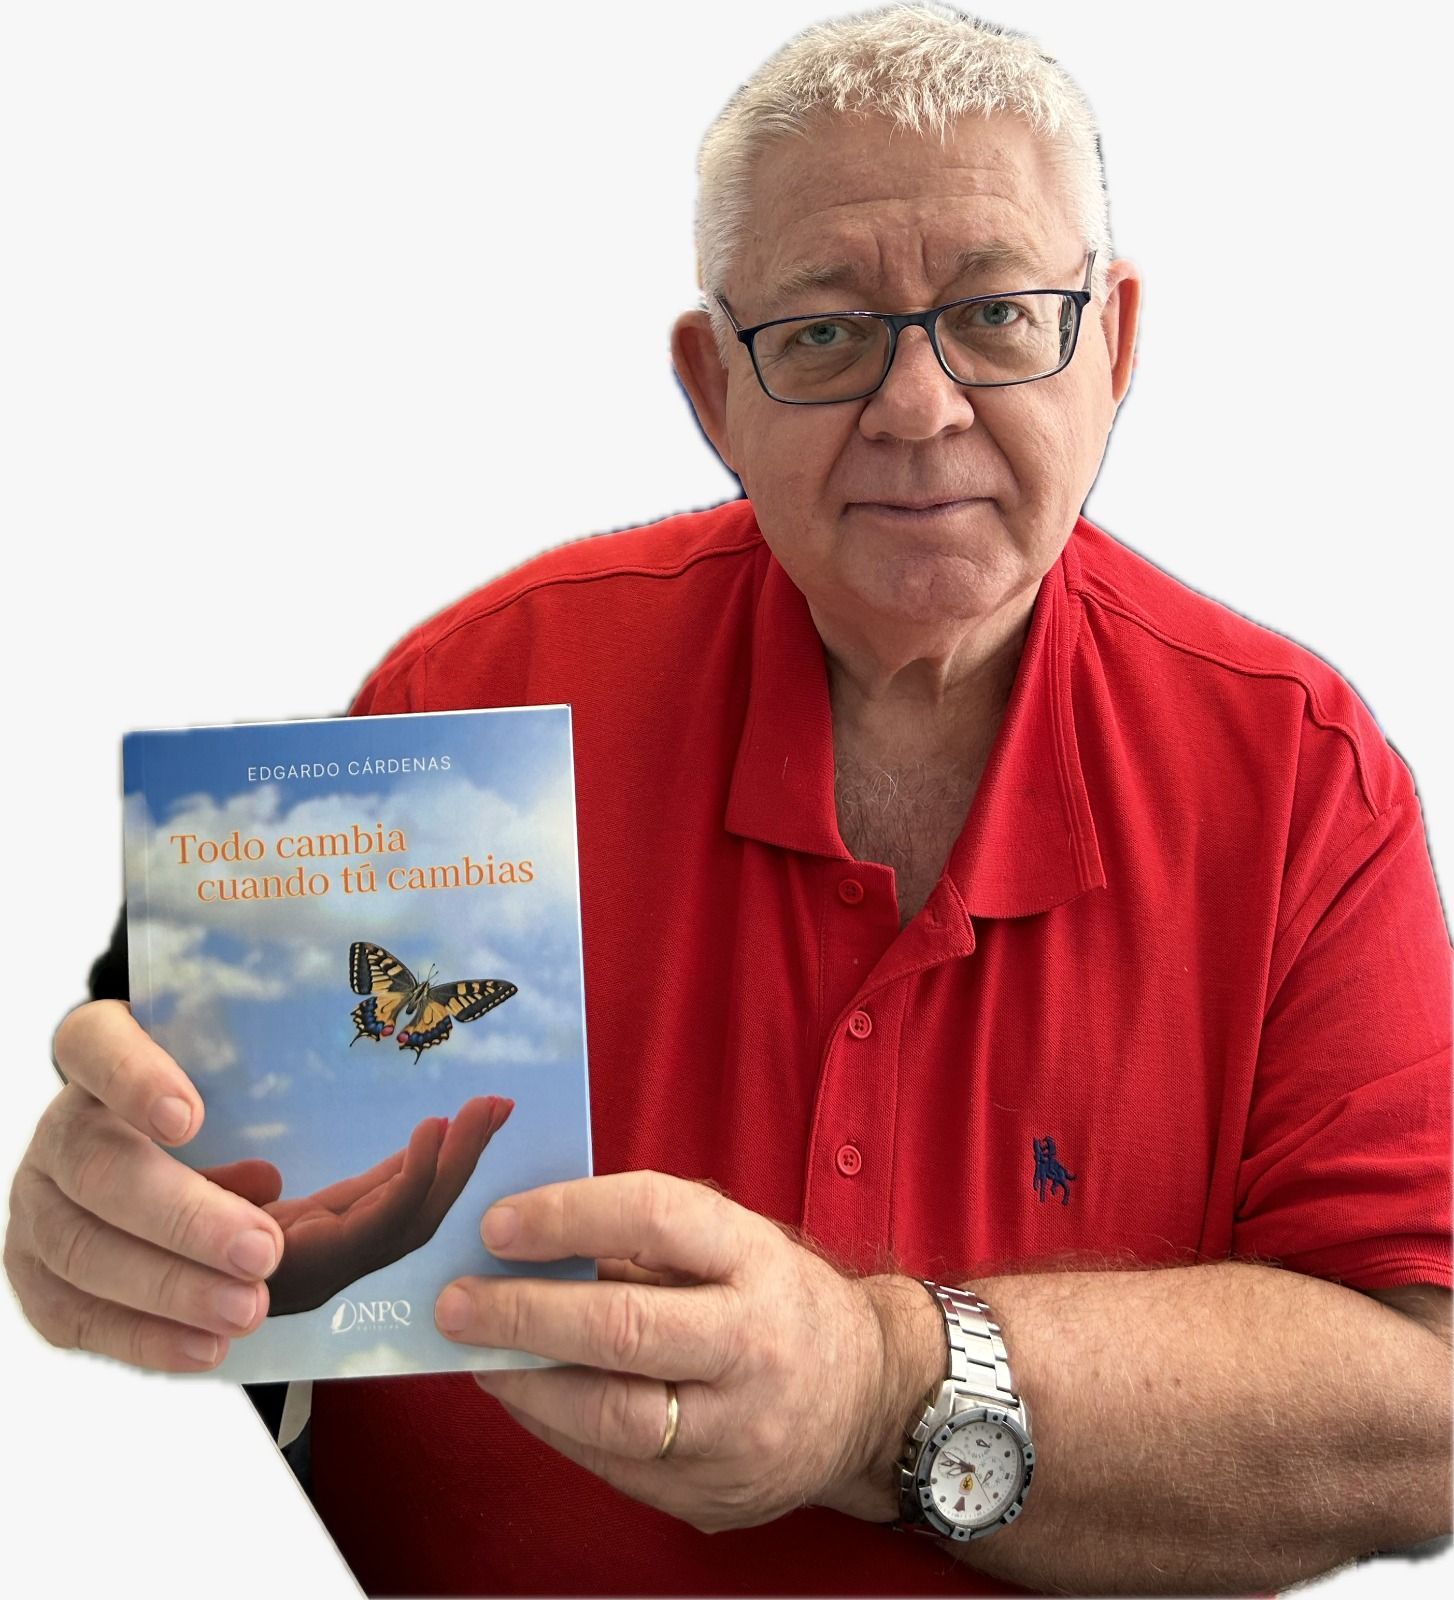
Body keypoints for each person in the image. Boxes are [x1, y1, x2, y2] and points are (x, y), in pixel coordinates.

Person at [6, 4, 1450, 1595]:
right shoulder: (472, 698)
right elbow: (223, 1229)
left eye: (994, 314)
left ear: (1113, 343)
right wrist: (114, 1239)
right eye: (823, 334)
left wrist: (882, 1386)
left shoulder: (1301, 769)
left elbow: (1425, 1417)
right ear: (711, 387)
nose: (918, 408)